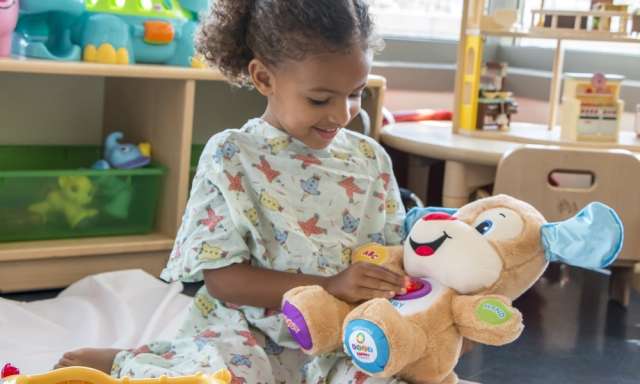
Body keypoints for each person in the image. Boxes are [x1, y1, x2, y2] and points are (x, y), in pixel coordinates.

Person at [56, 0, 409, 382]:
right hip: (250, 328)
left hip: (342, 331)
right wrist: (329, 286)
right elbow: (223, 279)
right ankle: (138, 361)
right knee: (222, 376)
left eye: (356, 94)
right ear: (263, 78)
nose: (342, 115)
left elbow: (393, 255)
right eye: (320, 99)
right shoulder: (232, 155)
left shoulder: (369, 158)